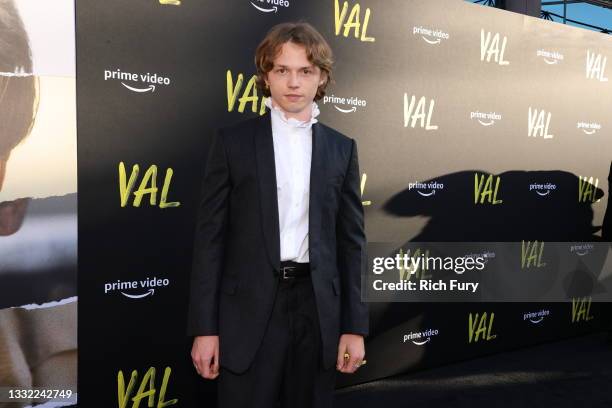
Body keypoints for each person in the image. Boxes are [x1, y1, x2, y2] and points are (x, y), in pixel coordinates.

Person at [187, 21, 369, 408]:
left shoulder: (342, 150)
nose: (293, 82)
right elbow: (210, 241)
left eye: (305, 71)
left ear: (321, 78)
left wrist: (354, 326)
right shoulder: (232, 143)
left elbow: (350, 245)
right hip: (249, 312)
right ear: (266, 76)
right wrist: (205, 329)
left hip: (318, 311)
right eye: (282, 70)